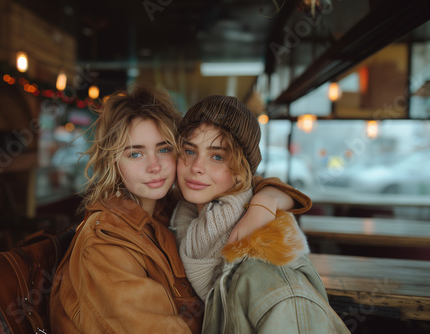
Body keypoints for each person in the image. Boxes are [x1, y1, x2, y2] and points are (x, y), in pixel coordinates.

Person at [49, 84, 311, 333]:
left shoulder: (174, 210)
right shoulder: (105, 246)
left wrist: (265, 201)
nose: (154, 166)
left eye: (163, 149)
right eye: (135, 154)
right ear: (114, 162)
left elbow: (242, 180)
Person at [171, 95, 350, 333]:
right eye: (189, 151)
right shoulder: (183, 221)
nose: (196, 167)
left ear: (240, 170)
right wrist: (267, 198)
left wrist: (267, 199)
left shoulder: (271, 275)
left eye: (217, 156)